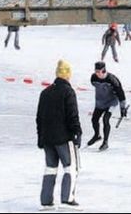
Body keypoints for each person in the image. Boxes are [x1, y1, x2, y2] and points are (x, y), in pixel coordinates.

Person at [36, 60, 82, 209]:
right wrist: (77, 133)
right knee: (71, 167)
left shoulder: (45, 92)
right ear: (68, 75)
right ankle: (67, 199)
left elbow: (39, 118)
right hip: (63, 138)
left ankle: (46, 200)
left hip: (47, 139)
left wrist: (40, 138)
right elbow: (72, 115)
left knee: (50, 168)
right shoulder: (68, 92)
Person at [87, 62, 127, 151]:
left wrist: (123, 107)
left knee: (106, 119)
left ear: (104, 70)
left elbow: (121, 93)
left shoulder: (112, 80)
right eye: (95, 71)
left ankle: (105, 142)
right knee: (94, 119)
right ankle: (97, 135)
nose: (96, 73)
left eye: (98, 71)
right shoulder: (93, 78)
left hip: (111, 103)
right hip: (100, 102)